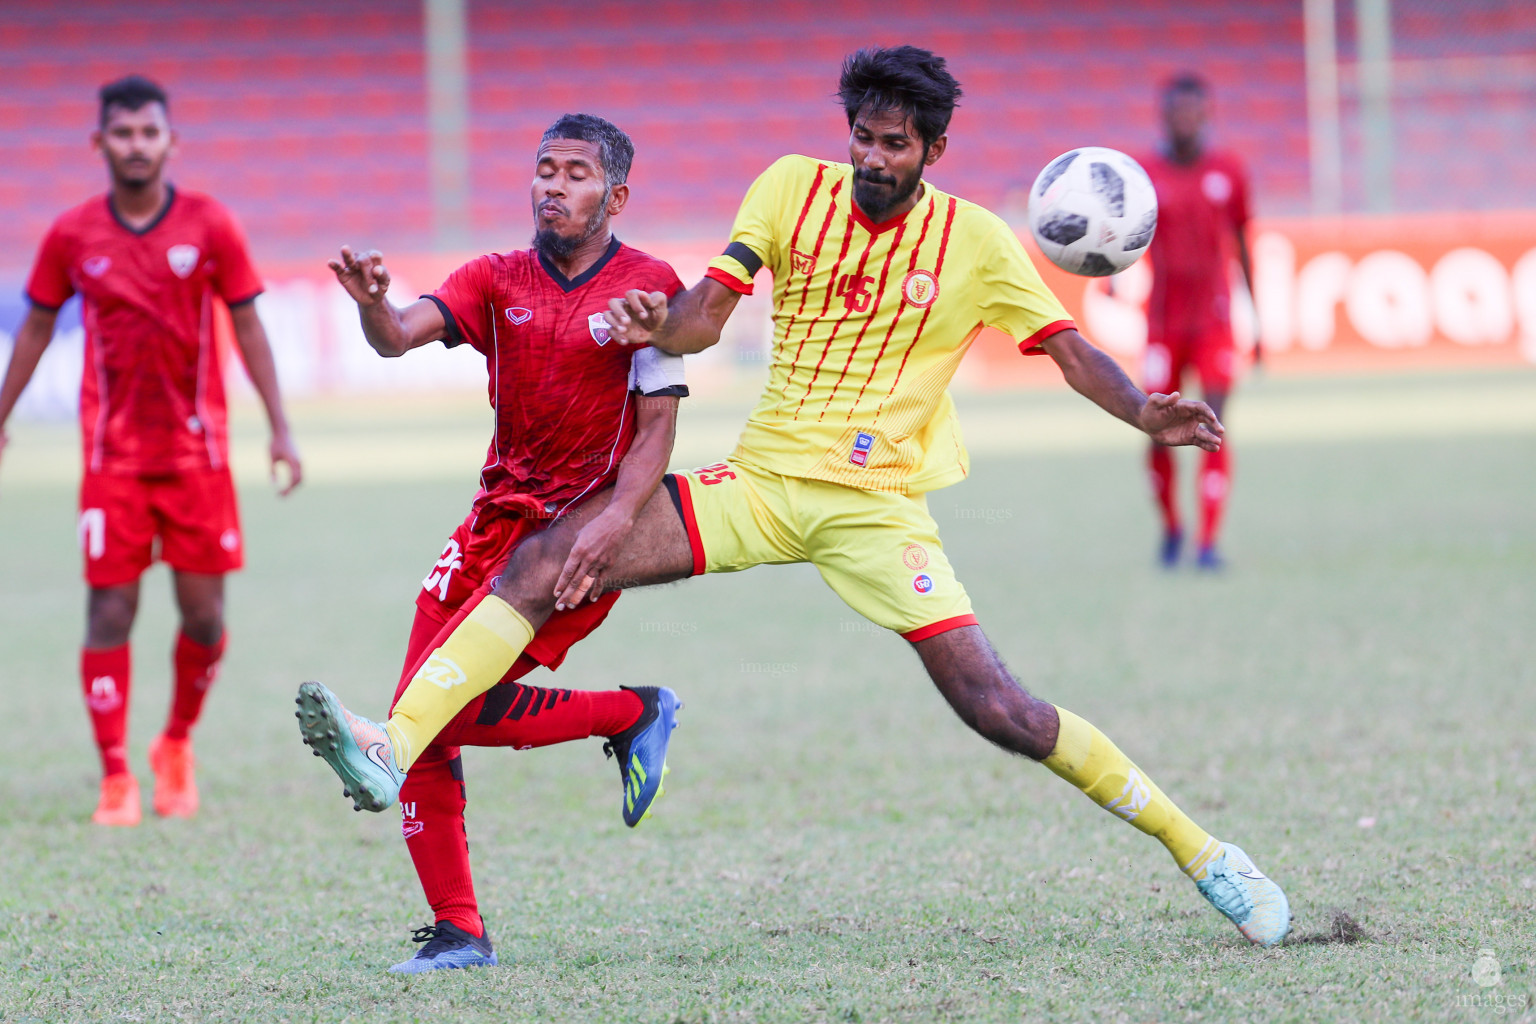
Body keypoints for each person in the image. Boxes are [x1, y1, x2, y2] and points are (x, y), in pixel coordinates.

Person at [305, 48, 1292, 948]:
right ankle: (391, 746)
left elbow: (1069, 353)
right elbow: (700, 321)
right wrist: (663, 318)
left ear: (934, 149)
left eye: (893, 144)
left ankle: (1203, 850)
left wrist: (1144, 413)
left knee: (998, 707)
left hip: (876, 510)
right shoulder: (787, 188)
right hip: (763, 483)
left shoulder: (979, 243)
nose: (870, 156)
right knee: (550, 555)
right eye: (860, 136)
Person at [296, 113, 686, 973]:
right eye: (544, 168)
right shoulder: (493, 278)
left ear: (615, 194)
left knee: (421, 718)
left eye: (576, 173)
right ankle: (460, 932)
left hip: (572, 542)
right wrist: (371, 307)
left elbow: (657, 429)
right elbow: (399, 336)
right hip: (487, 526)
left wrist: (619, 523)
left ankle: (631, 714)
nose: (552, 184)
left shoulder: (649, 284)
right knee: (420, 717)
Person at [0, 75, 302, 826]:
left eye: (149, 132)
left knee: (203, 617)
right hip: (113, 461)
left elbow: (251, 327)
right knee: (110, 610)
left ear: (170, 142)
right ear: (99, 143)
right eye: (123, 133)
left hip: (198, 459)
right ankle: (114, 775)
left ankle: (174, 744)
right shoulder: (73, 234)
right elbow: (35, 329)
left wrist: (280, 427)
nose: (136, 145)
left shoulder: (210, 225)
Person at [1139, 73, 1254, 570]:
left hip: (1213, 321)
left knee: (1214, 424)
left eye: (1193, 112)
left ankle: (1208, 542)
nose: (1184, 120)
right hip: (1163, 321)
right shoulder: (1147, 173)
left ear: (1206, 115)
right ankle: (1171, 528)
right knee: (1154, 427)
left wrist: (1259, 315)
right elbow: (1124, 236)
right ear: (1165, 116)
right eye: (1176, 112)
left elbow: (1244, 242)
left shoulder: (1228, 170)